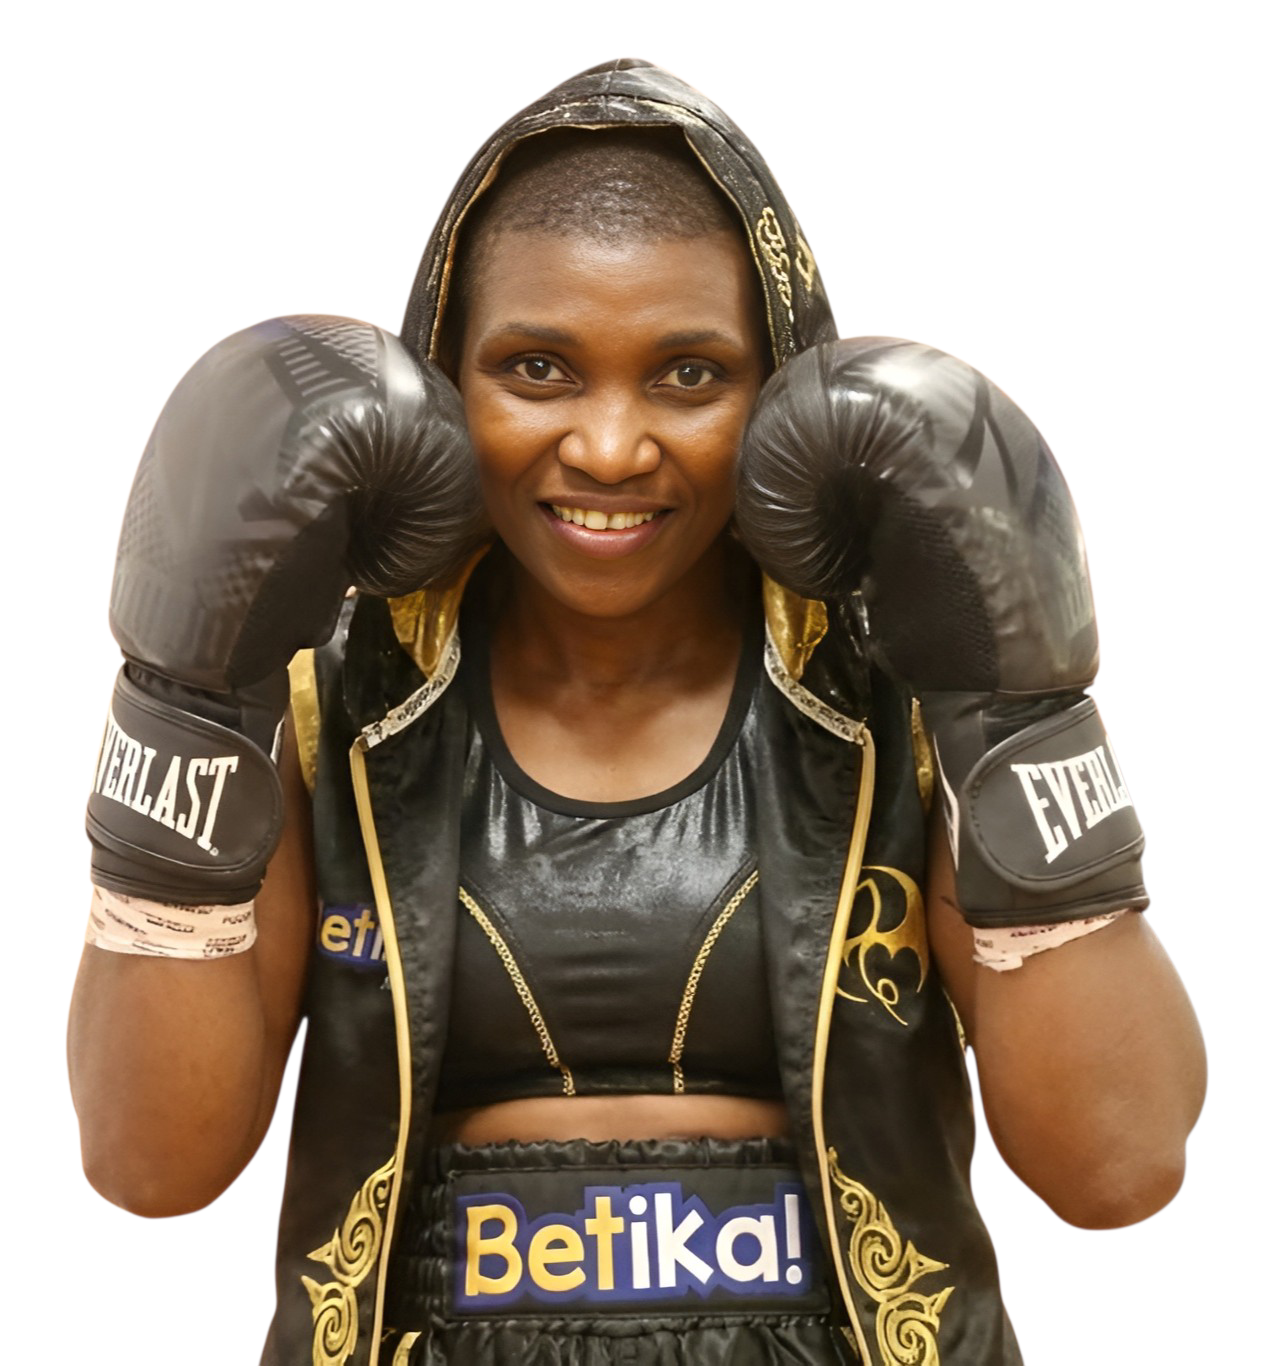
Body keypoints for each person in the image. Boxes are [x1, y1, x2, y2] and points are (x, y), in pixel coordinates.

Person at [68, 59, 1205, 1366]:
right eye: (538, 368)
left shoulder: (905, 699)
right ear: (442, 383)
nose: (610, 447)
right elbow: (149, 1161)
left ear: (781, 397)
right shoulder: (328, 707)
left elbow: (1119, 1162)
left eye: (688, 375)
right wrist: (185, 702)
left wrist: (1024, 717)